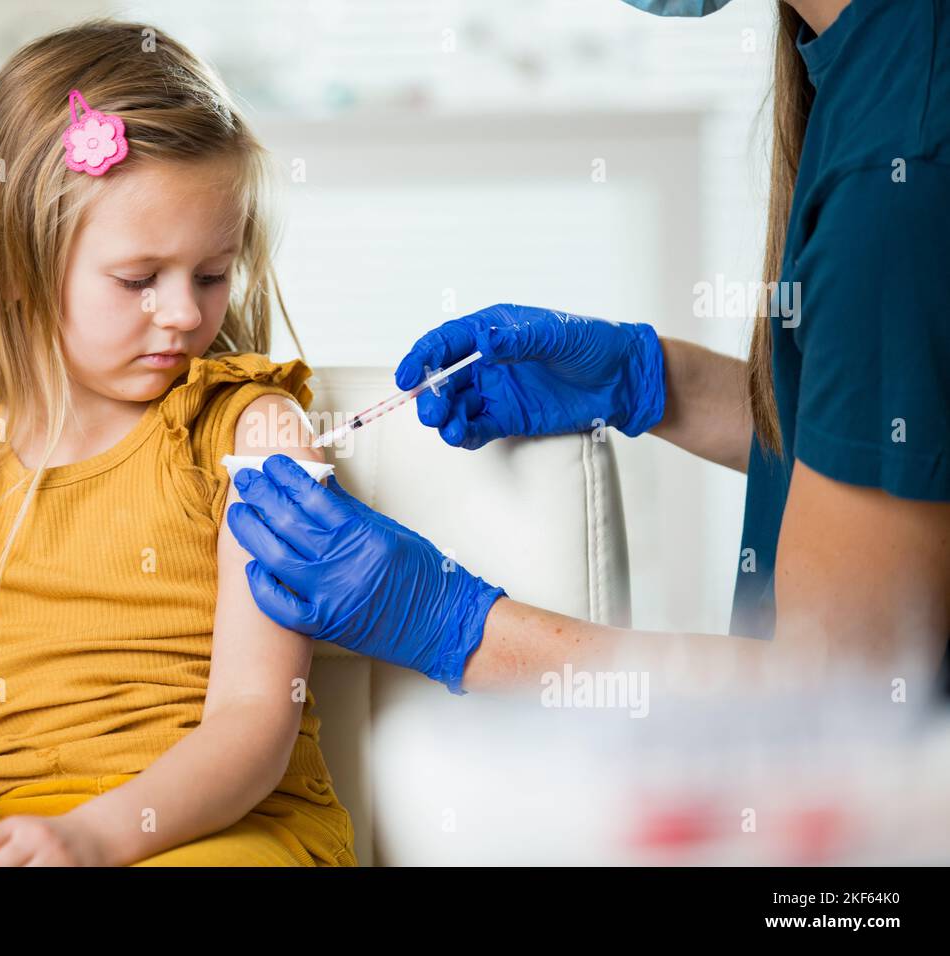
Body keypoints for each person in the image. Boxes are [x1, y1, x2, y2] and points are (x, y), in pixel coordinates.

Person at [227, 0, 950, 699]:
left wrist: (451, 624)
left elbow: (834, 704)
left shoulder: (897, 170)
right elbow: (885, 437)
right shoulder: (881, 61)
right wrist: (652, 380)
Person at [0, 20, 355, 867]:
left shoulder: (250, 432)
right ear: (17, 273)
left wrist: (92, 838)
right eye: (139, 279)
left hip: (224, 829)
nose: (184, 313)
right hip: (5, 839)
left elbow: (255, 719)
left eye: (212, 274)